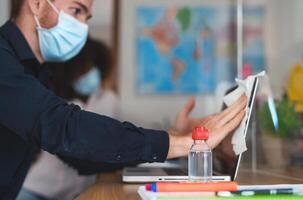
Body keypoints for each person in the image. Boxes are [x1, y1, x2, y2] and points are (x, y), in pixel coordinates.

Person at [0, 0, 246, 199]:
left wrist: (174, 138)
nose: (82, 28)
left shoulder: (36, 73)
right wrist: (184, 143)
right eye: (76, 10)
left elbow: (79, 154)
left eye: (87, 18)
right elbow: (65, 128)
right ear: (36, 3)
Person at [17, 38, 120, 200]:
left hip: (77, 192)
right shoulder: (56, 102)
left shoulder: (109, 99)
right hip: (38, 188)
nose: (87, 74)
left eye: (91, 68)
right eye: (82, 70)